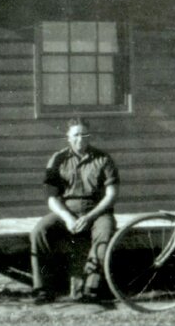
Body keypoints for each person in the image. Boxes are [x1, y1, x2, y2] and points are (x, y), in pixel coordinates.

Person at [30, 117, 119, 304]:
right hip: (66, 211)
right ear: (68, 137)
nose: (80, 139)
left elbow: (111, 195)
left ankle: (90, 288)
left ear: (90, 136)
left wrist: (89, 217)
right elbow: (51, 198)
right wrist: (67, 218)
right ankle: (43, 289)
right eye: (76, 135)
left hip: (97, 212)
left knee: (105, 231)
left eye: (84, 134)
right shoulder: (57, 159)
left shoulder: (103, 159)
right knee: (39, 231)